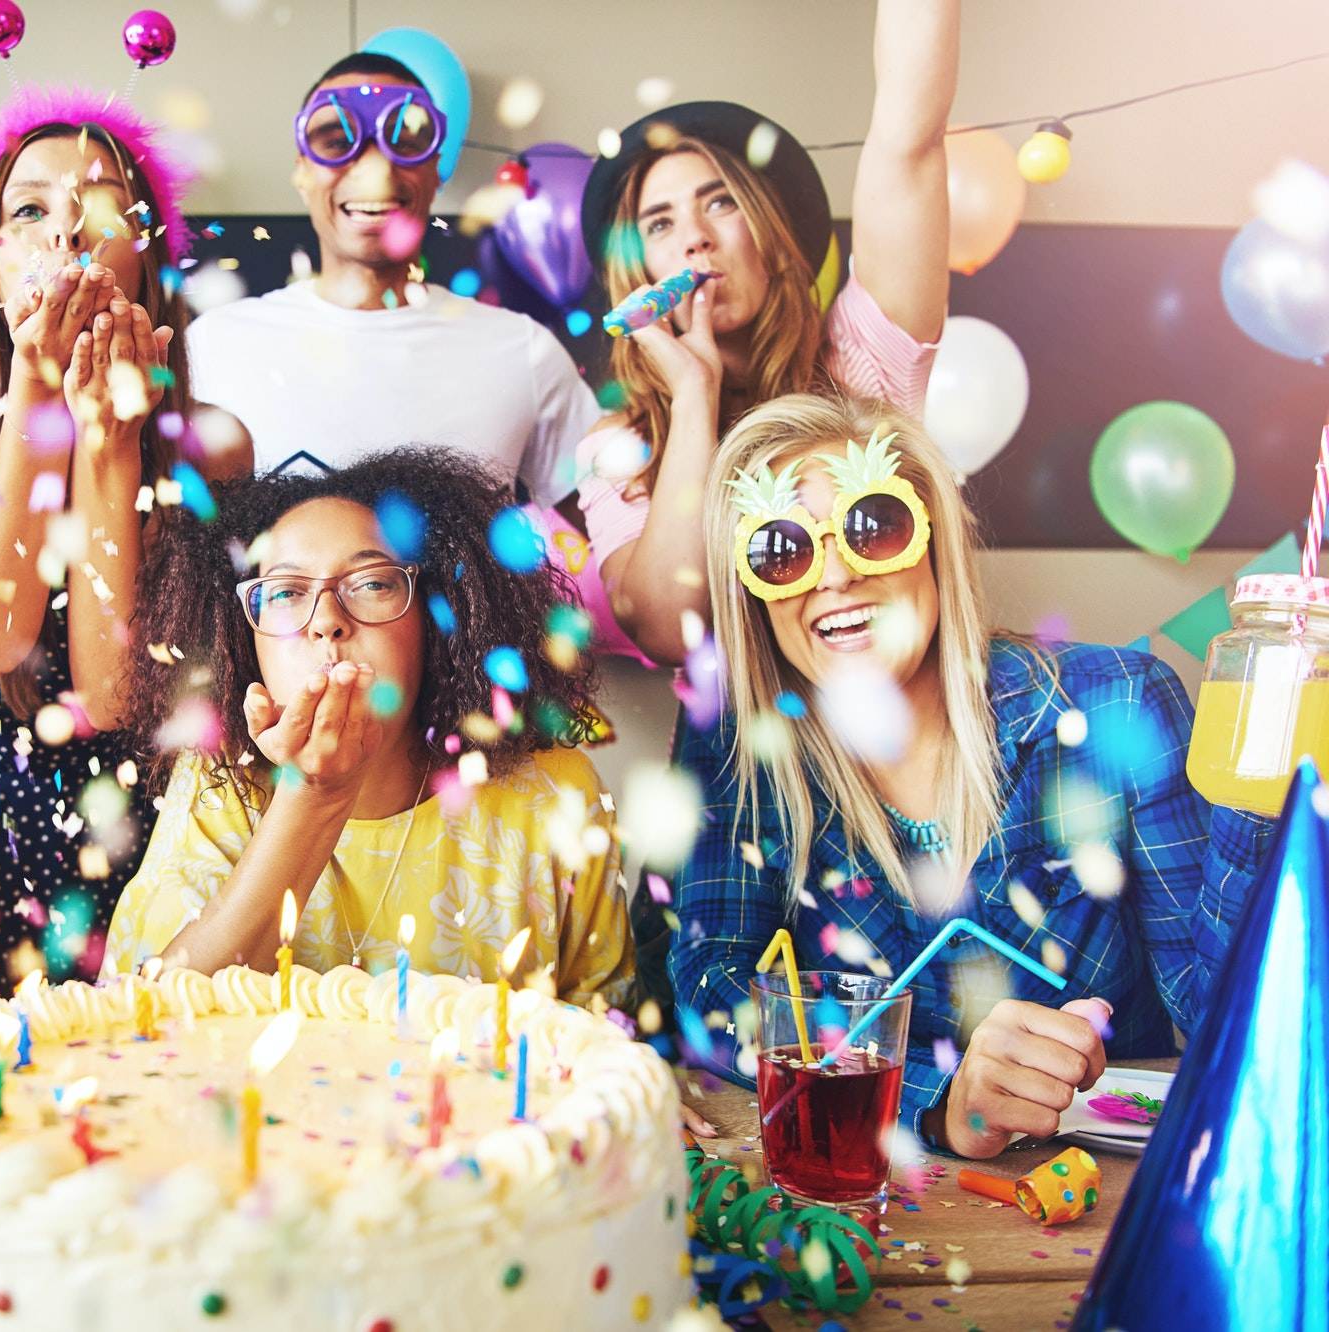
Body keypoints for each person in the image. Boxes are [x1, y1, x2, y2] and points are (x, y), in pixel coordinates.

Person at [668, 394, 1272, 1158]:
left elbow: (1229, 1008)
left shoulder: (1121, 702)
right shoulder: (734, 747)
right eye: (782, 550)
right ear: (752, 594)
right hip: (863, 1206)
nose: (835, 575)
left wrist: (1262, 788)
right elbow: (711, 986)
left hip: (1108, 1196)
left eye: (871, 527)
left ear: (932, 541)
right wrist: (936, 1098)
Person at [103, 449, 633, 1007]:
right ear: (244, 641)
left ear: (437, 615)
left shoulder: (556, 797)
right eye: (285, 592)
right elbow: (147, 1021)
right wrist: (310, 796)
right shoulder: (217, 784)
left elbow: (608, 1041)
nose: (329, 621)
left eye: (372, 583)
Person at [0, 87, 215, 997]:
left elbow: (113, 696)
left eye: (103, 206)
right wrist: (36, 387)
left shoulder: (212, 445)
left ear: (151, 262)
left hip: (155, 870)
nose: (65, 234)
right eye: (29, 209)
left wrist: (109, 437)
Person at [577, 0, 958, 663]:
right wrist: (694, 396)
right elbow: (671, 632)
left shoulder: (860, 363)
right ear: (639, 270)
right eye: (660, 223)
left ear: (767, 235)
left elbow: (911, 144)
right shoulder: (619, 451)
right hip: (741, 758)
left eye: (720, 201)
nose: (695, 235)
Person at [182, 52, 600, 505]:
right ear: (301, 171)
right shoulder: (213, 346)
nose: (375, 169)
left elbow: (606, 548)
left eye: (405, 139)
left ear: (435, 166)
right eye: (337, 140)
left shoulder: (524, 350)